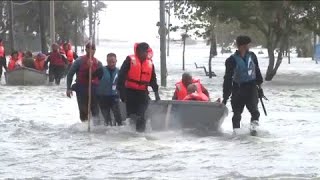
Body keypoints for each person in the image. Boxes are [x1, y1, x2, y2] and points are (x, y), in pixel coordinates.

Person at [222, 35, 263, 132]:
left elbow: (257, 71)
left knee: (255, 113)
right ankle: (236, 134)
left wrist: (260, 88)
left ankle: (253, 132)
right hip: (238, 89)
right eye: (248, 45)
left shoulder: (252, 56)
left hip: (251, 88)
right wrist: (225, 97)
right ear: (243, 46)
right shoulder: (231, 60)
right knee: (237, 114)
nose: (249, 46)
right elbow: (227, 79)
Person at [117, 42, 160, 132]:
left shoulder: (150, 63)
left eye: (147, 52)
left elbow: (153, 79)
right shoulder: (129, 60)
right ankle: (132, 134)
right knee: (132, 115)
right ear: (139, 51)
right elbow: (121, 77)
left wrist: (156, 93)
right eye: (145, 52)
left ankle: (140, 135)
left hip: (142, 92)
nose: (146, 54)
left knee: (141, 115)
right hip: (130, 92)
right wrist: (121, 93)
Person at [66, 42, 103, 124]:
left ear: (95, 51)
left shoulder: (98, 63)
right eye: (89, 48)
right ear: (86, 49)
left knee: (95, 112)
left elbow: (102, 79)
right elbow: (70, 74)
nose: (91, 50)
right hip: (81, 89)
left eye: (93, 49)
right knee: (83, 111)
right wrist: (68, 88)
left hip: (94, 90)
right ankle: (84, 129)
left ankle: (96, 129)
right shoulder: (79, 61)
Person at [92, 53, 122, 126]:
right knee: (107, 118)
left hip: (114, 96)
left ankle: (119, 132)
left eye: (113, 62)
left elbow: (122, 84)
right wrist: (90, 67)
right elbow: (90, 77)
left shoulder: (119, 72)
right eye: (109, 62)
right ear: (107, 61)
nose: (111, 64)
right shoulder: (101, 70)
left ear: (116, 61)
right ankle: (108, 132)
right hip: (103, 97)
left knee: (118, 117)